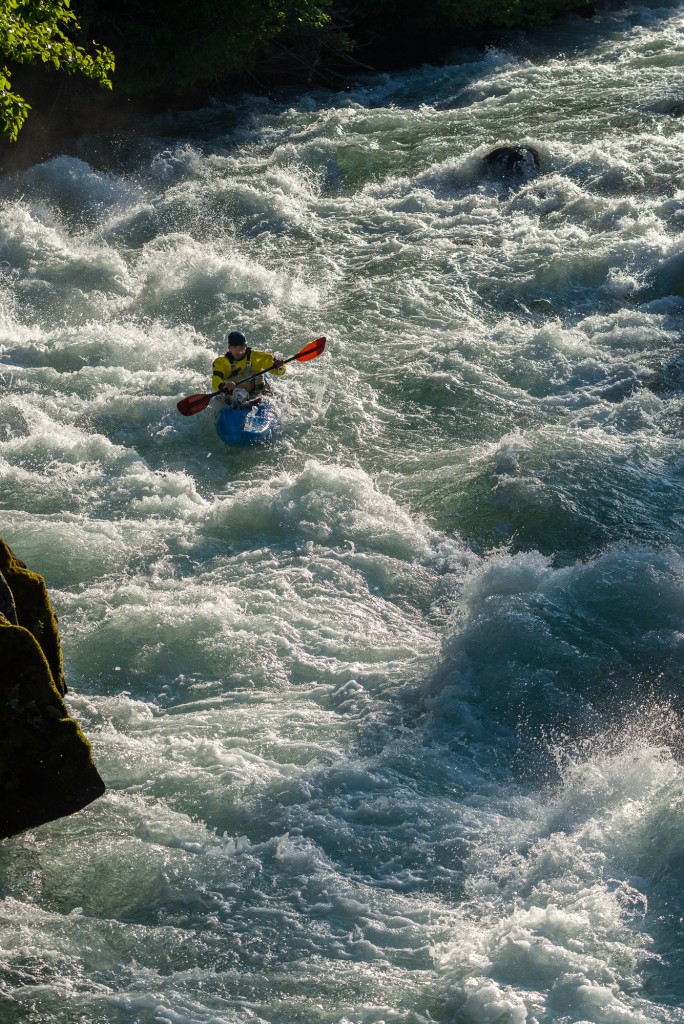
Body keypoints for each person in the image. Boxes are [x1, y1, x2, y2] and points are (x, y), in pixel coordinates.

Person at [211, 331, 285, 406]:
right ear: (229, 348)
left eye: (242, 347)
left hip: (261, 394)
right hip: (236, 399)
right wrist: (223, 386)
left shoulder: (257, 356)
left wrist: (280, 367)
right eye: (235, 348)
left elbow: (279, 372)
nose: (239, 351)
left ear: (246, 346)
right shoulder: (221, 362)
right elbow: (216, 380)